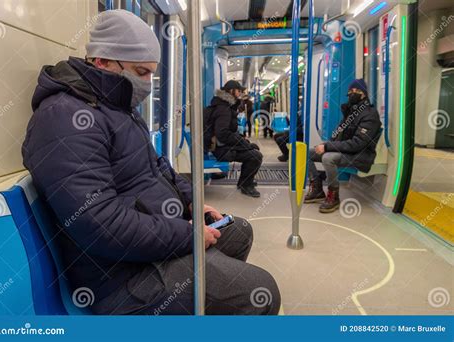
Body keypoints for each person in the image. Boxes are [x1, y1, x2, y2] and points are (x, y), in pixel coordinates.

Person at [22, 10, 280, 315]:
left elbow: (158, 168)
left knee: (238, 230)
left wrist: (192, 204)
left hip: (148, 244)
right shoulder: (64, 119)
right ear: (102, 61)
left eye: (151, 74)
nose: (147, 83)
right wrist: (188, 235)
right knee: (259, 291)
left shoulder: (119, 108)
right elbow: (100, 224)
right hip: (117, 277)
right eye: (140, 72)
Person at [304, 79, 382, 213]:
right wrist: (327, 143)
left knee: (328, 157)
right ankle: (317, 188)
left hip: (361, 154)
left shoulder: (370, 114)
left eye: (357, 91)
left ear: (364, 94)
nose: (353, 93)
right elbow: (338, 134)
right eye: (351, 91)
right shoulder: (351, 113)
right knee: (307, 153)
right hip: (349, 152)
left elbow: (358, 144)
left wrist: (328, 147)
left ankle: (333, 195)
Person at [209, 80, 263, 198]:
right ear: (232, 91)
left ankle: (244, 181)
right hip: (222, 149)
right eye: (239, 91)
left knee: (252, 150)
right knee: (256, 156)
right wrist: (245, 144)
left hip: (222, 146)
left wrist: (245, 143)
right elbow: (222, 133)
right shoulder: (224, 109)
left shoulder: (225, 105)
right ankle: (245, 185)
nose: (240, 93)